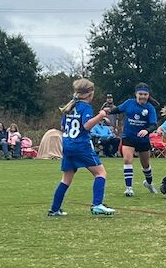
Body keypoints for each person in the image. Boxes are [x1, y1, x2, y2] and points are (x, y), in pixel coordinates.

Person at [48, 78, 115, 217]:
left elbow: (63, 127)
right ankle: (97, 205)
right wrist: (101, 115)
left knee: (66, 179)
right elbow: (87, 125)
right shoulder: (85, 107)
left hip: (67, 145)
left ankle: (54, 209)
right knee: (100, 173)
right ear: (90, 93)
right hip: (81, 146)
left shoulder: (70, 107)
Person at [107, 83, 158, 196]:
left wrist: (147, 131)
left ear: (148, 95)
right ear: (136, 94)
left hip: (143, 139)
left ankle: (149, 183)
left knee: (146, 165)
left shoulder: (150, 108)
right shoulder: (129, 103)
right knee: (127, 160)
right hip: (129, 137)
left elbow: (154, 125)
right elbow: (117, 109)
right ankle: (129, 188)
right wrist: (107, 111)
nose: (143, 96)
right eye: (140, 94)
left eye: (145, 94)